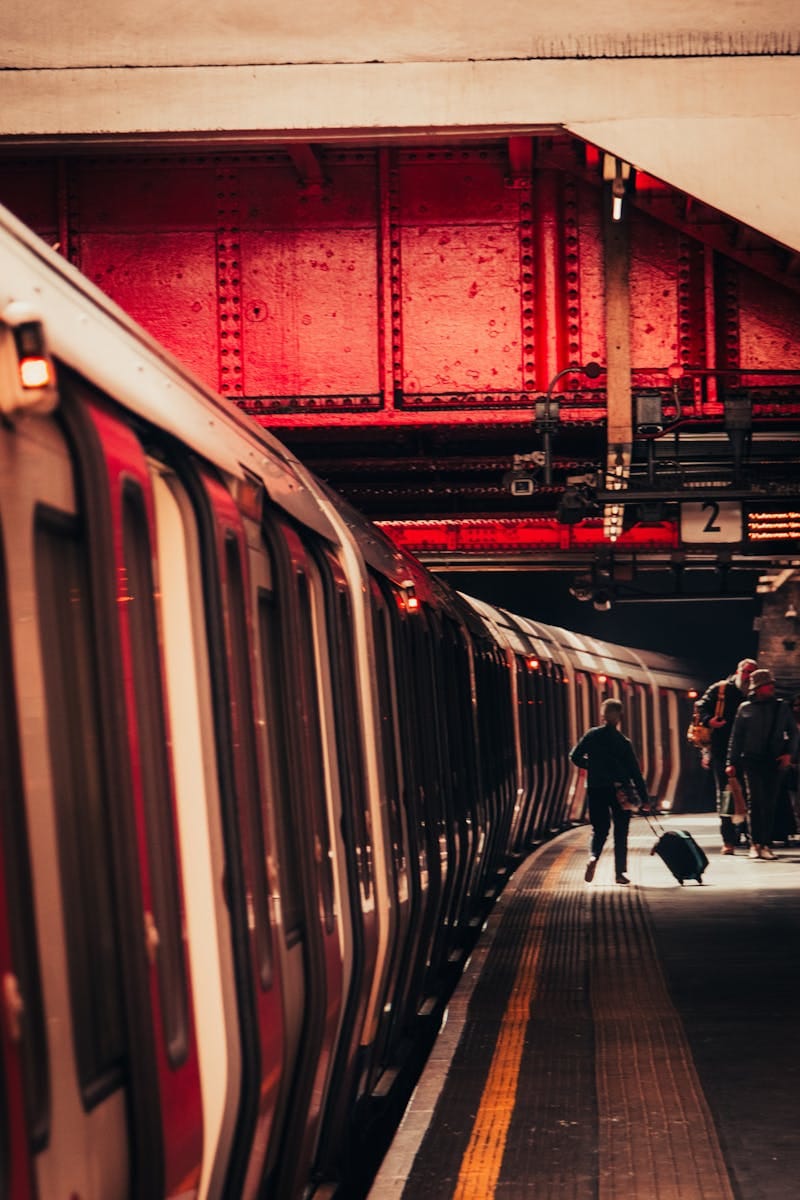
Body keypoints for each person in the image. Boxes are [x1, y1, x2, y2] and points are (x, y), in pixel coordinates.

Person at [570, 697, 649, 885]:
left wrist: (591, 766)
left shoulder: (592, 735)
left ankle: (593, 856)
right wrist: (645, 799)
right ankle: (619, 873)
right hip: (620, 791)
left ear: (602, 715)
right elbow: (635, 773)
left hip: (596, 788)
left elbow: (574, 756)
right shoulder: (623, 742)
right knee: (621, 832)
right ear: (619, 717)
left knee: (600, 829)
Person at [726, 668, 799, 860]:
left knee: (769, 803)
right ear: (758, 688)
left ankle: (765, 843)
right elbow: (736, 737)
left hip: (774, 761)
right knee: (755, 802)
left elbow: (793, 733)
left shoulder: (781, 708)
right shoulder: (745, 708)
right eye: (768, 685)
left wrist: (788, 755)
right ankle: (755, 843)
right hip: (751, 760)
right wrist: (731, 762)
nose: (771, 688)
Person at [695, 658, 757, 854]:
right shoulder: (720, 689)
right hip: (722, 751)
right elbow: (701, 707)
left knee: (751, 796)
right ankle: (729, 839)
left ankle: (751, 836)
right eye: (747, 672)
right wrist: (709, 720)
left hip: (749, 752)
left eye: (752, 673)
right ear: (738, 672)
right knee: (726, 795)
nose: (749, 677)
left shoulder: (757, 694)